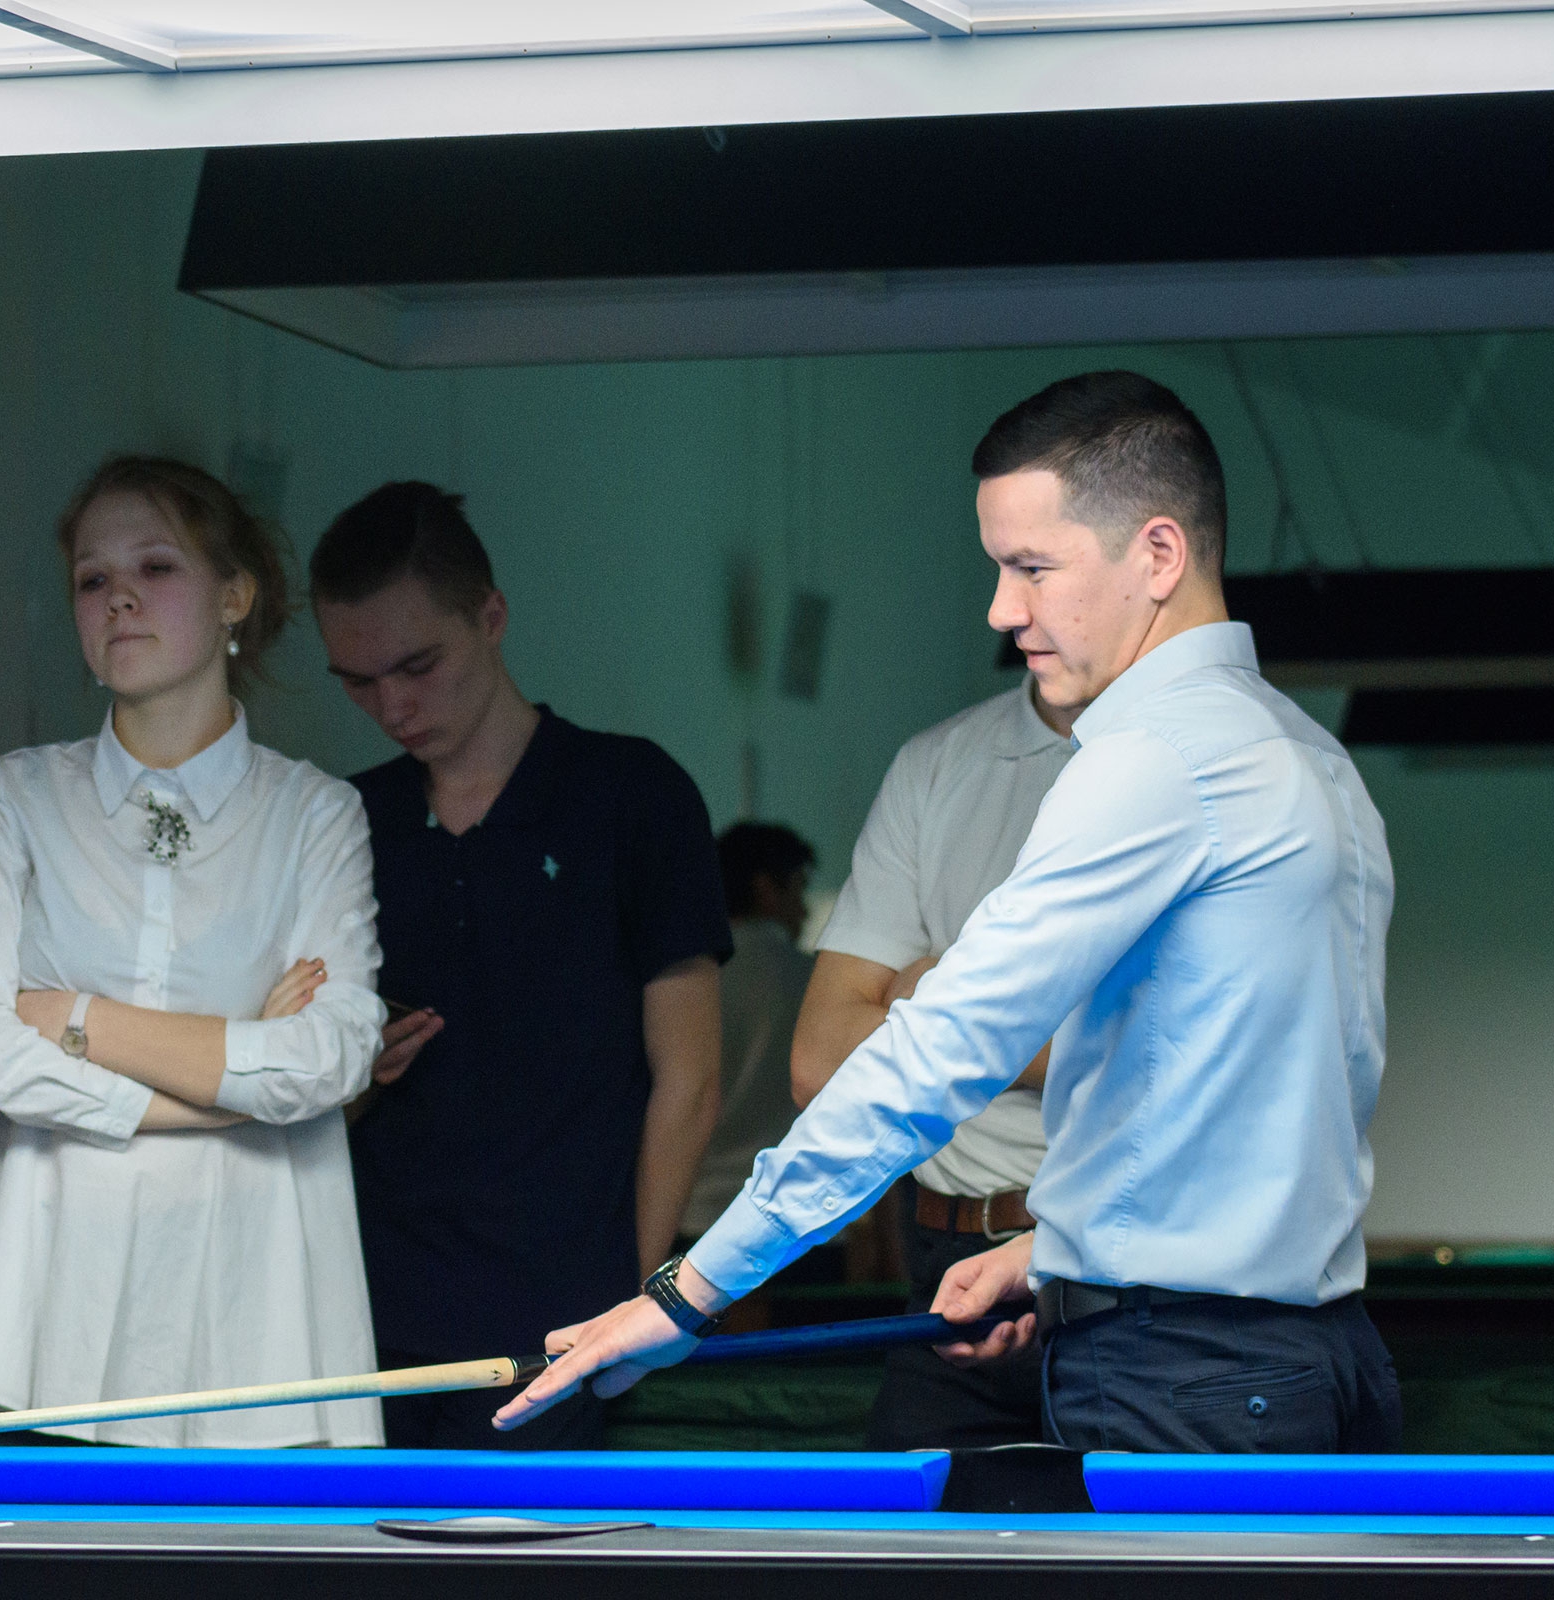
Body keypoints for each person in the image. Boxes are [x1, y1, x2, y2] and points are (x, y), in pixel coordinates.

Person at [498, 371, 1401, 1455]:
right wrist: (1051, 1254)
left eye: (1032, 567)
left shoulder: (1152, 760)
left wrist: (688, 1292)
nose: (1002, 610)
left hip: (1186, 1372)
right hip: (1308, 1352)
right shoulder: (1309, 753)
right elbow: (1249, 1097)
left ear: (1158, 555)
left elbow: (939, 1052)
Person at [0, 456, 386, 1447]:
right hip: (39, 1297)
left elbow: (331, 1056)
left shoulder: (316, 814)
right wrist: (223, 1093)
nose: (118, 597)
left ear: (235, 596)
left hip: (259, 1303)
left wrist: (73, 1020)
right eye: (93, 578)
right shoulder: (13, 796)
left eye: (156, 566)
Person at [312, 480, 731, 1449]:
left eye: (418, 665)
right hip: (366, 1309)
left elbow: (691, 1077)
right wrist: (349, 1068)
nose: (393, 705)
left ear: (491, 617)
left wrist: (637, 1294)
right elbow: (297, 1088)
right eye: (357, 681)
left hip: (565, 1313)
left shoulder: (631, 795)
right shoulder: (344, 818)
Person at [789, 654, 1076, 1448]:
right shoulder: (938, 763)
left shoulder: (1187, 759)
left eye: (1035, 581)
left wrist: (926, 996)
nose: (1006, 610)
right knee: (894, 1526)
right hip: (945, 1261)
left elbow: (1171, 1057)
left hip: (1118, 1253)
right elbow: (818, 1059)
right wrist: (1044, 1024)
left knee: (1137, 1533)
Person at [685, 824, 815, 1240]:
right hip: (802, 1221)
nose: (805, 910)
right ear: (766, 889)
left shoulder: (684, 984)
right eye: (799, 888)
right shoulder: (813, 982)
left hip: (697, 1214)